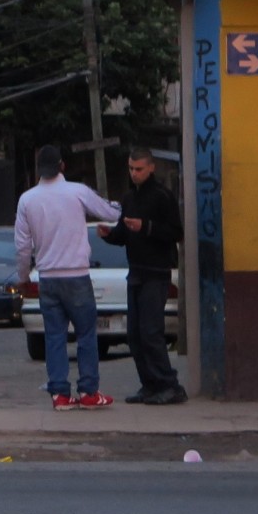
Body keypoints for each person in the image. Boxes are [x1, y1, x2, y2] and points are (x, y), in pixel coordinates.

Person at [14, 144, 123, 410]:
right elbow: (111, 213)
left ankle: (60, 394)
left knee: (54, 337)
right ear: (62, 166)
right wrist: (125, 207)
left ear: (39, 170)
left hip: (47, 278)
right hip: (76, 276)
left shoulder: (27, 200)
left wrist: (24, 276)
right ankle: (88, 391)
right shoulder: (78, 192)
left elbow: (22, 246)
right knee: (86, 334)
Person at [100, 148, 187, 405]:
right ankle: (149, 384)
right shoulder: (129, 198)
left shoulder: (162, 196)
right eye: (131, 169)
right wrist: (110, 235)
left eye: (138, 169)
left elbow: (175, 232)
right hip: (136, 272)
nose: (134, 174)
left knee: (151, 331)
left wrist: (146, 227)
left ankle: (169, 385)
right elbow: (124, 234)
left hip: (156, 273)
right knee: (135, 334)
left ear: (150, 168)